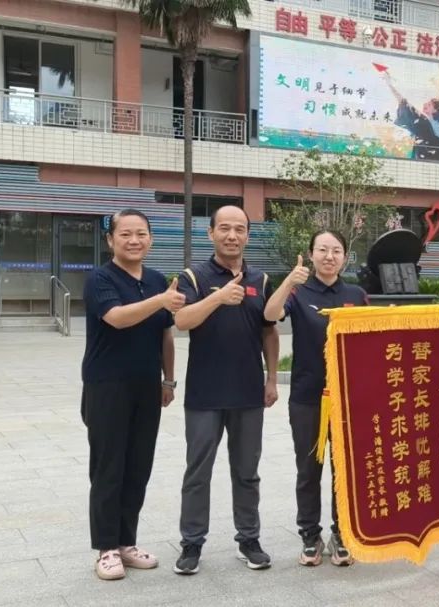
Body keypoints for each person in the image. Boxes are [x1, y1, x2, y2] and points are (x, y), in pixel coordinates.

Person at [172, 205, 279, 575]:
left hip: (248, 394)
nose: (232, 235)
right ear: (211, 233)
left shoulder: (260, 280)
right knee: (197, 472)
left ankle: (249, 539)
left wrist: (271, 379)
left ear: (248, 234)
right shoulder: (193, 277)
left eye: (239, 229)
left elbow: (269, 331)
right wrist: (218, 297)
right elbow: (182, 321)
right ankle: (191, 544)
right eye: (225, 228)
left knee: (247, 472)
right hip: (205, 395)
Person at [81, 209, 184, 580]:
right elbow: (117, 317)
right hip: (107, 386)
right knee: (108, 467)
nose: (134, 240)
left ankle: (126, 542)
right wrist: (161, 301)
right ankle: (106, 548)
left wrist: (168, 380)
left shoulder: (156, 279)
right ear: (111, 240)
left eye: (141, 233)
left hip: (146, 386)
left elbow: (166, 334)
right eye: (125, 234)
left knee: (138, 466)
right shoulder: (100, 279)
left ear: (150, 239)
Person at [264, 230, 369, 567]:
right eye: (322, 250)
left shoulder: (356, 294)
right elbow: (270, 315)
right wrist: (288, 282)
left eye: (336, 250)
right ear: (311, 255)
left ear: (345, 257)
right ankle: (310, 535)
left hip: (348, 399)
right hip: (307, 397)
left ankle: (342, 533)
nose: (329, 256)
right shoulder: (298, 292)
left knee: (345, 469)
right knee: (308, 469)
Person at [381, 72, 439, 162]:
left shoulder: (425, 122)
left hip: (430, 155)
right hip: (430, 155)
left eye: (429, 105)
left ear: (435, 110)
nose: (425, 104)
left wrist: (389, 84)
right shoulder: (429, 123)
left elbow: (403, 102)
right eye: (426, 103)